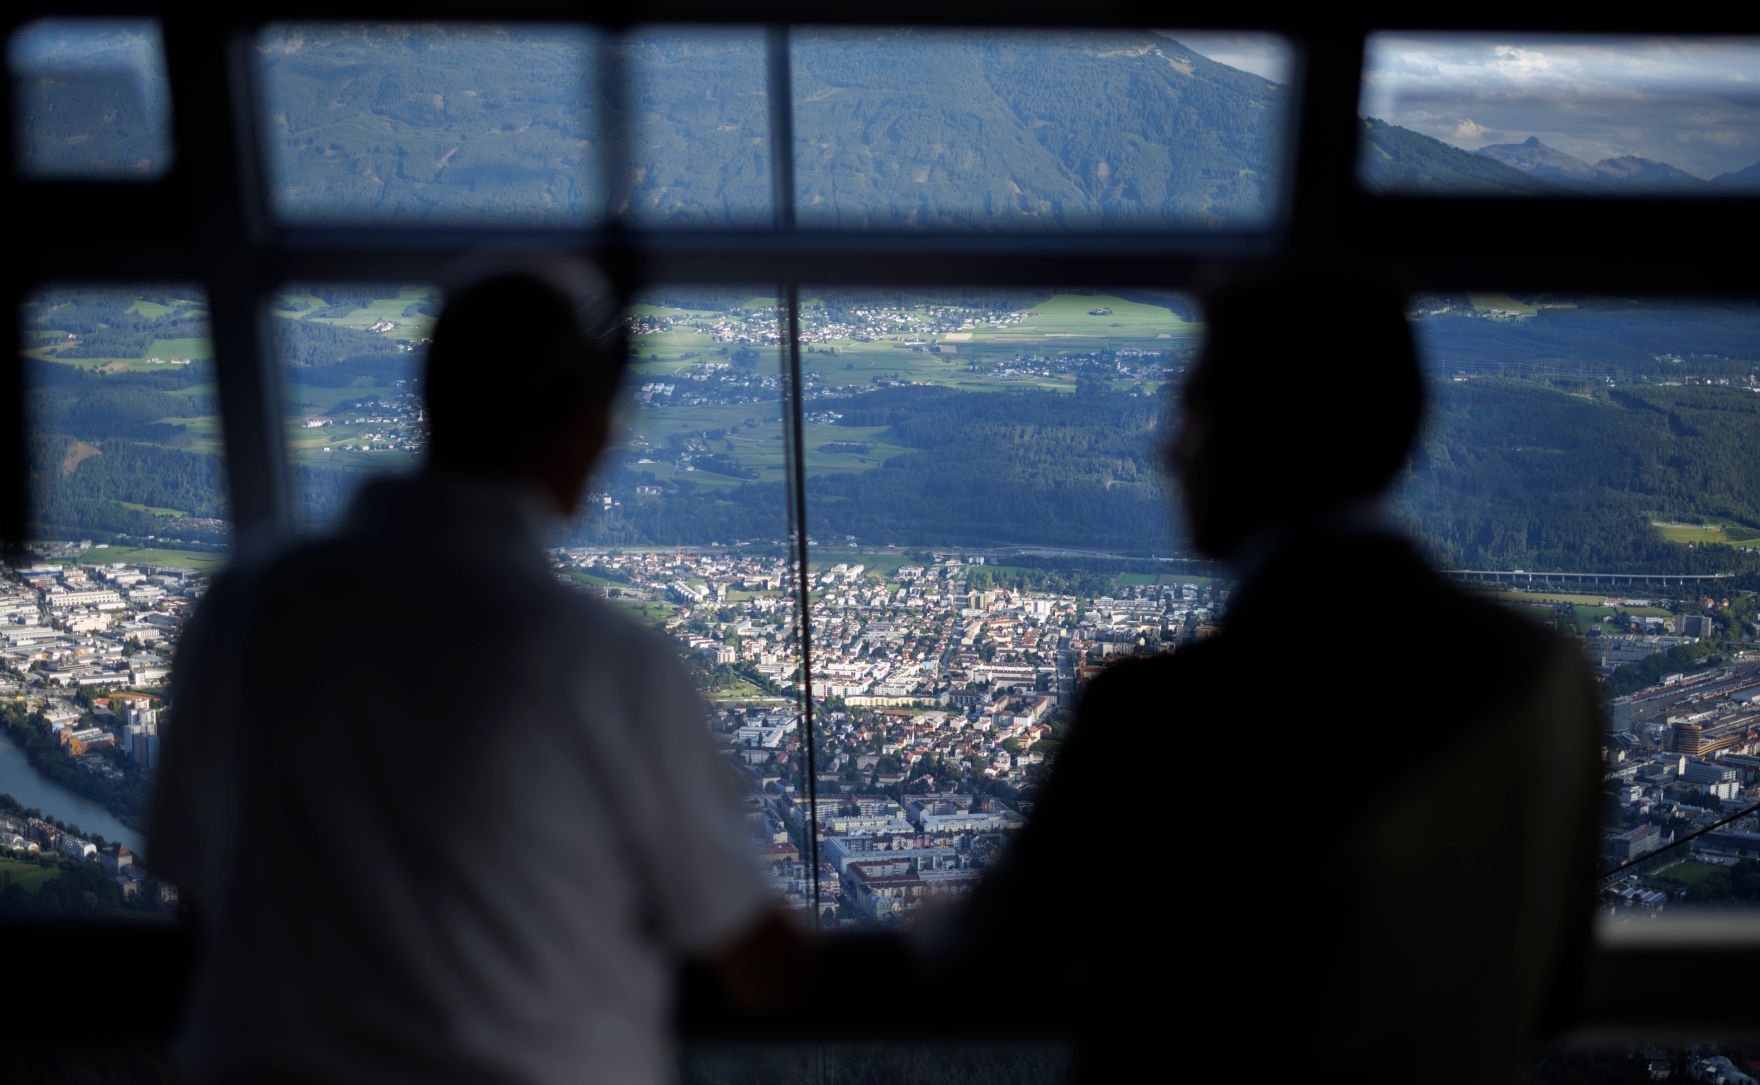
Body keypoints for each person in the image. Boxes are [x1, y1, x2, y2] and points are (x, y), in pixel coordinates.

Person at [927, 265, 1604, 1083]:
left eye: (1194, 412)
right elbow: (1559, 994)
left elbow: (1000, 960)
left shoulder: (1159, 717)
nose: (1168, 450)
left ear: (1270, 443)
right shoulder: (1548, 679)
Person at [149, 255, 804, 1085]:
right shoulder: (607, 664)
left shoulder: (242, 610)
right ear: (584, 428)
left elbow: (200, 893)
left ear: (431, 404)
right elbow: (760, 966)